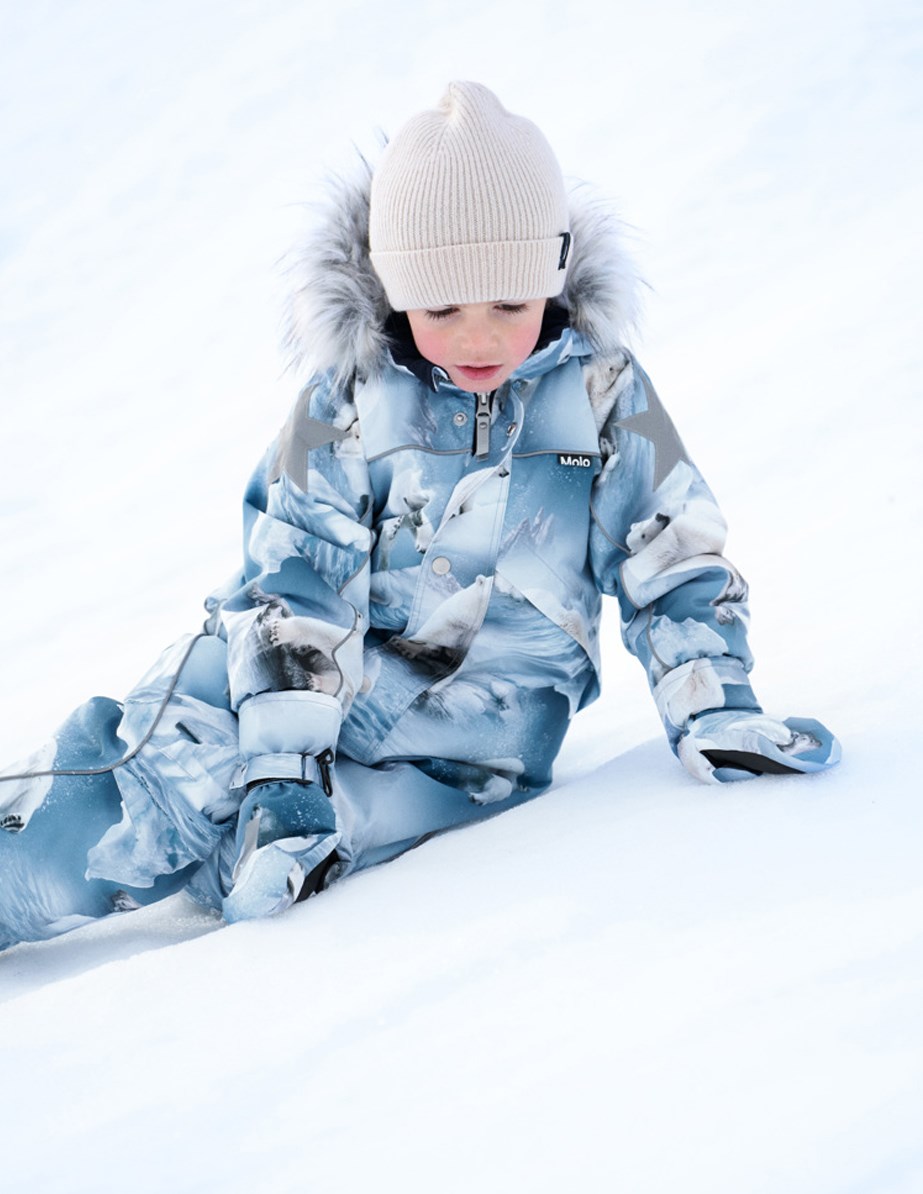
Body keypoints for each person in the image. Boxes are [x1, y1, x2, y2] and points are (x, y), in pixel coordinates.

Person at [0, 81, 840, 950]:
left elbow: (668, 555)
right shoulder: (352, 403)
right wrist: (282, 766)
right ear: (398, 292)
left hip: (464, 752)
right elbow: (296, 583)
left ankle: (259, 834)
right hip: (272, 687)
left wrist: (715, 705)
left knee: (252, 874)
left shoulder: (599, 395)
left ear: (550, 279)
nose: (477, 339)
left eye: (508, 306)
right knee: (132, 809)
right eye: (442, 309)